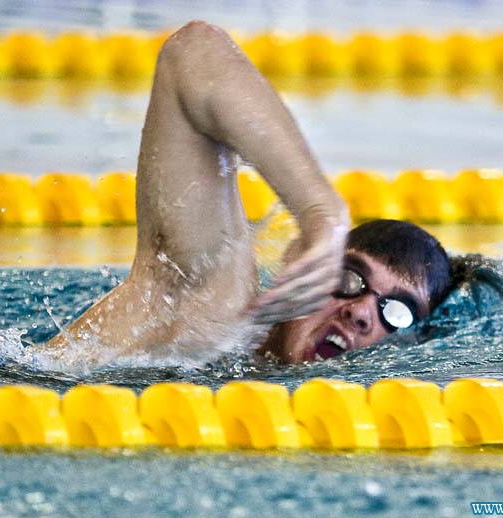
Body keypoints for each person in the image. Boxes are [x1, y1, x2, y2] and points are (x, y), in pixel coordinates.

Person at [46, 21, 452, 364]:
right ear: (301, 262)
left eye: (396, 312)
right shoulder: (211, 311)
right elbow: (192, 52)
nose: (362, 312)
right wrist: (321, 215)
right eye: (349, 277)